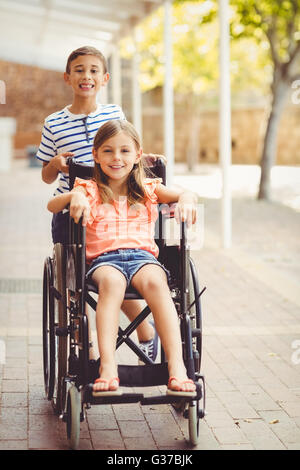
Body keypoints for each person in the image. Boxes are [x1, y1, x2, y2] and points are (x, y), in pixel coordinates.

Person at [47, 119, 197, 396]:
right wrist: (73, 198)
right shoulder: (88, 188)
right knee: (112, 284)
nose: (117, 158)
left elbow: (186, 193)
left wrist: (187, 199)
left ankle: (177, 367)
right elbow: (52, 205)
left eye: (125, 151)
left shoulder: (150, 188)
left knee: (156, 282)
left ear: (137, 155)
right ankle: (108, 366)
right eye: (108, 151)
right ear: (96, 155)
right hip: (104, 261)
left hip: (143, 259)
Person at [36, 46, 158, 360]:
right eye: (79, 70)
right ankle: (87, 347)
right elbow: (46, 177)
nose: (86, 76)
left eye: (93, 70)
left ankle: (145, 331)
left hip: (111, 211)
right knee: (76, 285)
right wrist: (56, 163)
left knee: (120, 267)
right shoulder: (54, 122)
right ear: (67, 77)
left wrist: (151, 159)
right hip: (72, 211)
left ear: (103, 79)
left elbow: (127, 147)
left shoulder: (114, 113)